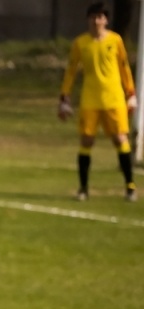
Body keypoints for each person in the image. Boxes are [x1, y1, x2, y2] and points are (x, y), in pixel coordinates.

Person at [59, 2, 138, 202]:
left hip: (114, 98)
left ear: (106, 20)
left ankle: (130, 187)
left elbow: (124, 68)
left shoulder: (116, 40)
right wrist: (64, 96)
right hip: (90, 100)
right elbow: (71, 71)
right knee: (86, 141)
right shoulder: (81, 43)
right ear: (88, 20)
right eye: (93, 17)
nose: (96, 21)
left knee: (120, 140)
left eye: (100, 17)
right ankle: (83, 188)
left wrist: (131, 93)